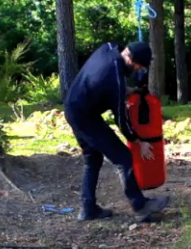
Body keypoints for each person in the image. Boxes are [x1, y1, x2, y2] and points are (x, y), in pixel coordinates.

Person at [64, 41, 170, 222]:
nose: (138, 70)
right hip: (85, 117)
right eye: (138, 66)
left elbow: (106, 84)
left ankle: (88, 209)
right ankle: (141, 207)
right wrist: (138, 141)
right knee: (123, 158)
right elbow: (121, 119)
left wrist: (130, 91)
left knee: (93, 159)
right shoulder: (115, 79)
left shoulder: (108, 48)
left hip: (72, 107)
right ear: (130, 58)